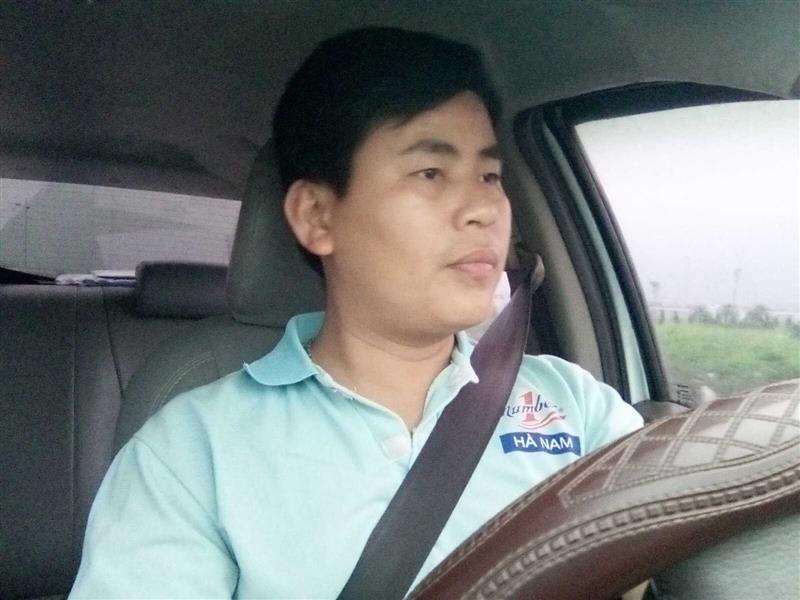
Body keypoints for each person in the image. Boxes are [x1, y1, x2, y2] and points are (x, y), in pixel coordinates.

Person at [70, 27, 642, 598]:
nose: (484, 209)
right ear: (317, 216)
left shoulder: (577, 406)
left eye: (490, 176)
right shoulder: (192, 452)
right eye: (430, 173)